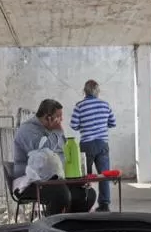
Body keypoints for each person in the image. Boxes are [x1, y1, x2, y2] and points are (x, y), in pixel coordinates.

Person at [13, 99, 95, 216]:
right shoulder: (27, 130)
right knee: (60, 194)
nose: (61, 120)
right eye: (59, 116)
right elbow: (43, 152)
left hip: (53, 178)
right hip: (28, 182)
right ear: (48, 117)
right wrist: (57, 133)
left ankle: (70, 226)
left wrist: (77, 179)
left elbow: (63, 153)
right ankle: (50, 229)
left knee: (87, 193)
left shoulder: (52, 130)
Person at [70, 79, 116, 211]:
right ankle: (104, 204)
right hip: (102, 143)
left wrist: (84, 126)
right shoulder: (105, 105)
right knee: (104, 174)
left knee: (85, 175)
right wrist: (101, 125)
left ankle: (84, 203)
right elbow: (113, 123)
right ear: (97, 91)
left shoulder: (79, 106)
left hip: (86, 145)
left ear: (84, 91)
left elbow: (74, 125)